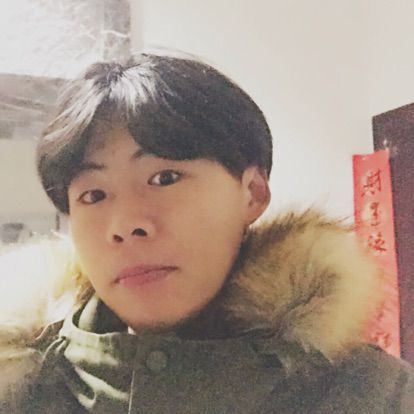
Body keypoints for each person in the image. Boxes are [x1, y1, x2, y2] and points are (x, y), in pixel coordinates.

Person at [0, 51, 413, 413]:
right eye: (93, 195)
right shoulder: (20, 390)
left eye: (164, 178)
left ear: (253, 192)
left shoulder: (374, 394)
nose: (124, 225)